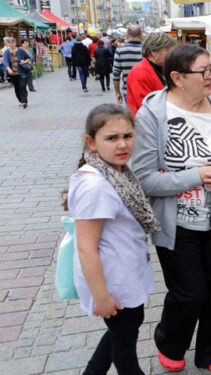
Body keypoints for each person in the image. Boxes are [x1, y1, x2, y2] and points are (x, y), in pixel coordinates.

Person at [132, 44, 211, 375]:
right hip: (176, 222)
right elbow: (143, 178)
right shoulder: (153, 114)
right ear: (177, 78)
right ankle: (170, 341)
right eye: (204, 71)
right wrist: (194, 176)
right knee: (189, 292)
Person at [65, 103, 158, 375]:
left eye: (127, 136)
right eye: (112, 138)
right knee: (125, 349)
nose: (122, 144)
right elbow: (85, 248)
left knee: (124, 330)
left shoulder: (116, 172)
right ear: (91, 143)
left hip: (124, 272)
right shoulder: (95, 185)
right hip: (111, 281)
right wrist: (101, 296)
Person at [126, 32, 176, 116]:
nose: (171, 54)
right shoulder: (140, 72)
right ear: (154, 52)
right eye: (167, 50)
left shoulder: (161, 68)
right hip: (146, 124)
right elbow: (146, 106)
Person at [113, 25, 144, 105]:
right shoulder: (146, 50)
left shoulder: (120, 50)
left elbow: (116, 74)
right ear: (141, 35)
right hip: (145, 89)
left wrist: (117, 92)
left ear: (127, 35)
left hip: (128, 90)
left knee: (132, 115)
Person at [3, 37, 32, 108]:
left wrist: (24, 61)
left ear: (15, 43)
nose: (12, 44)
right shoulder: (7, 52)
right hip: (13, 73)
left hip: (22, 73)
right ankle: (20, 100)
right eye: (10, 43)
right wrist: (8, 69)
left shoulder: (20, 50)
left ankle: (24, 101)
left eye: (13, 42)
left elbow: (29, 57)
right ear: (8, 44)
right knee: (16, 88)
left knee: (22, 86)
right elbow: (5, 62)